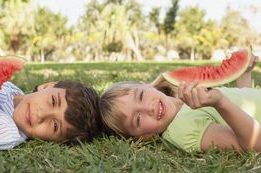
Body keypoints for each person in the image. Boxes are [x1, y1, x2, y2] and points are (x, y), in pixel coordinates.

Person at [99, 50, 261, 153]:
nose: (149, 108)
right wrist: (220, 103)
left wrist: (243, 74)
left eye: (141, 96)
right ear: (141, 137)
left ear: (145, 86)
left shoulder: (183, 99)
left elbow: (245, 107)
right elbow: (254, 143)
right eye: (138, 119)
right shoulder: (181, 130)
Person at [0, 55, 102, 155]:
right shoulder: (10, 88)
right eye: (53, 101)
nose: (41, 115)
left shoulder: (7, 131)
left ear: (55, 141)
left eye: (54, 126)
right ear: (47, 86)